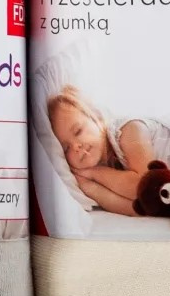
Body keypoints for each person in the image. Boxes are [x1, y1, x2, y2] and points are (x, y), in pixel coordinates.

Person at [44, 85, 157, 216]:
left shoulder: (128, 130)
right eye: (66, 148)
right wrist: (89, 187)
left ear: (96, 118)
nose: (75, 146)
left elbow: (148, 190)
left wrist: (94, 173)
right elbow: (142, 209)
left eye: (78, 131)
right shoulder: (110, 174)